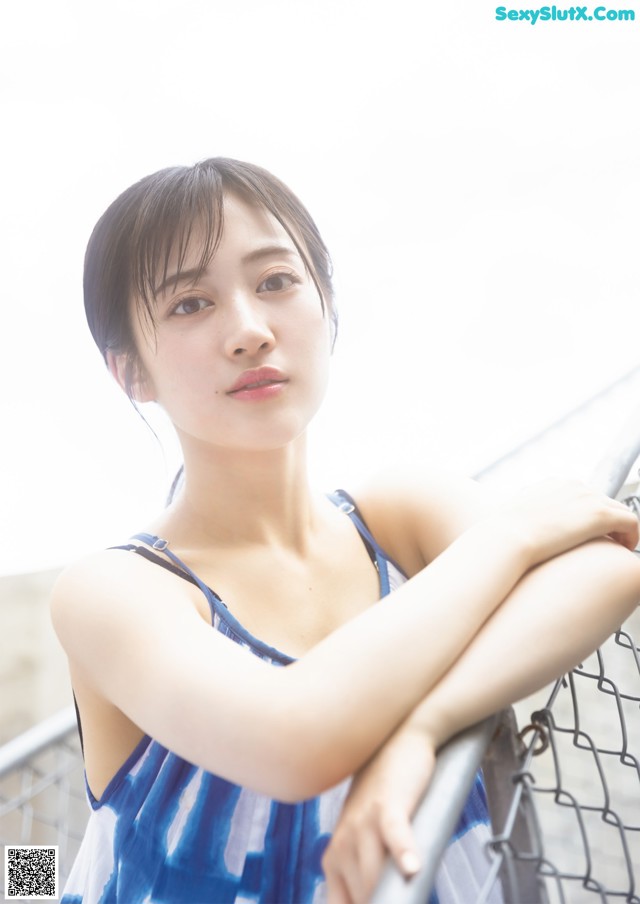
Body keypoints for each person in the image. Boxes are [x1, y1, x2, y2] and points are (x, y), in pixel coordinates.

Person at [51, 157, 640, 904]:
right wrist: (509, 539)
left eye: (276, 281)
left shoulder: (397, 513)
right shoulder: (111, 590)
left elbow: (609, 567)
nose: (250, 331)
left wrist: (419, 731)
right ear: (130, 372)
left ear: (326, 308)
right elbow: (293, 739)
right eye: (191, 303)